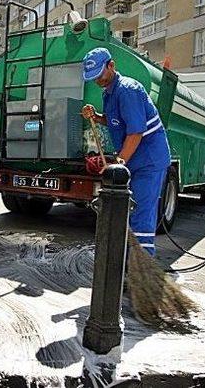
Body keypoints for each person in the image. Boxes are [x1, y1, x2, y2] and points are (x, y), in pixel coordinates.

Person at [81, 47, 171, 257]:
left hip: (148, 161)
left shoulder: (128, 90)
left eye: (100, 75)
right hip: (134, 160)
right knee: (129, 212)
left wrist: (119, 162)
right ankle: (127, 263)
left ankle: (143, 268)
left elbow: (136, 132)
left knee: (141, 213)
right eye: (93, 78)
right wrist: (96, 116)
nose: (98, 81)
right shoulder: (109, 92)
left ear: (111, 66)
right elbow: (116, 122)